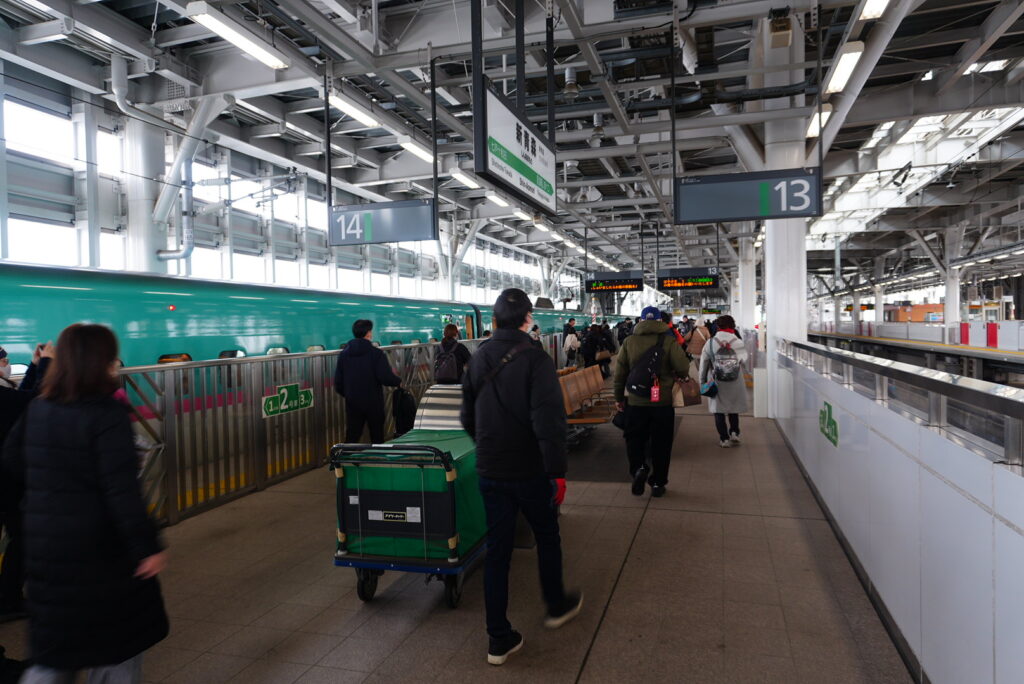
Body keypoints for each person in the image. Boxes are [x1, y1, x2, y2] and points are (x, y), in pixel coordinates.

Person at [3, 324, 168, 683]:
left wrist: (48, 492)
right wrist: (147, 547)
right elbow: (122, 491)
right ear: (102, 362)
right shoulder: (106, 413)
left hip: (47, 545)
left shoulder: (39, 407)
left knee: (54, 649)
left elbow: (12, 460)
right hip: (99, 550)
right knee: (117, 643)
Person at [460, 288, 582, 666]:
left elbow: (466, 416)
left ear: (494, 320)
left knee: (498, 552)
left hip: (491, 469)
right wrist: (556, 472)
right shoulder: (535, 358)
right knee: (546, 535)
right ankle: (556, 604)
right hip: (529, 470)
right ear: (528, 319)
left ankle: (498, 638)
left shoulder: (477, 358)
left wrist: (488, 446)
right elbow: (550, 421)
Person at [0, 343, 54, 621]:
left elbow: (19, 401)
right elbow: (36, 401)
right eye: (2, 360)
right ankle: (8, 600)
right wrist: (46, 364)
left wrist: (33, 367)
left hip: (6, 479)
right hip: (6, 480)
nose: (6, 363)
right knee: (22, 535)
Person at [613, 306, 690, 498]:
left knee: (634, 438)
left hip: (635, 401)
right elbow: (683, 367)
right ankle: (658, 483)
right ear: (659, 321)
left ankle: (639, 468)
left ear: (641, 320)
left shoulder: (629, 341)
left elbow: (620, 373)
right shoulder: (669, 341)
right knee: (661, 443)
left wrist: (618, 398)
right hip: (662, 403)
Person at [334, 319, 402, 443]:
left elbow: (338, 382)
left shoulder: (344, 354)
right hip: (373, 401)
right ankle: (377, 454)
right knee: (376, 433)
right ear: (368, 333)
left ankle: (347, 454)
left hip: (353, 401)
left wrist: (349, 394)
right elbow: (385, 377)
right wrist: (398, 381)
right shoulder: (376, 354)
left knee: (353, 433)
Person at [700, 315, 749, 448]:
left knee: (718, 410)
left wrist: (702, 381)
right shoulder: (737, 342)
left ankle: (724, 439)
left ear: (718, 326)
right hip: (735, 380)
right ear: (732, 326)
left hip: (717, 380)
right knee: (734, 407)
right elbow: (744, 361)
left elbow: (704, 364)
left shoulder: (710, 343)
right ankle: (734, 432)